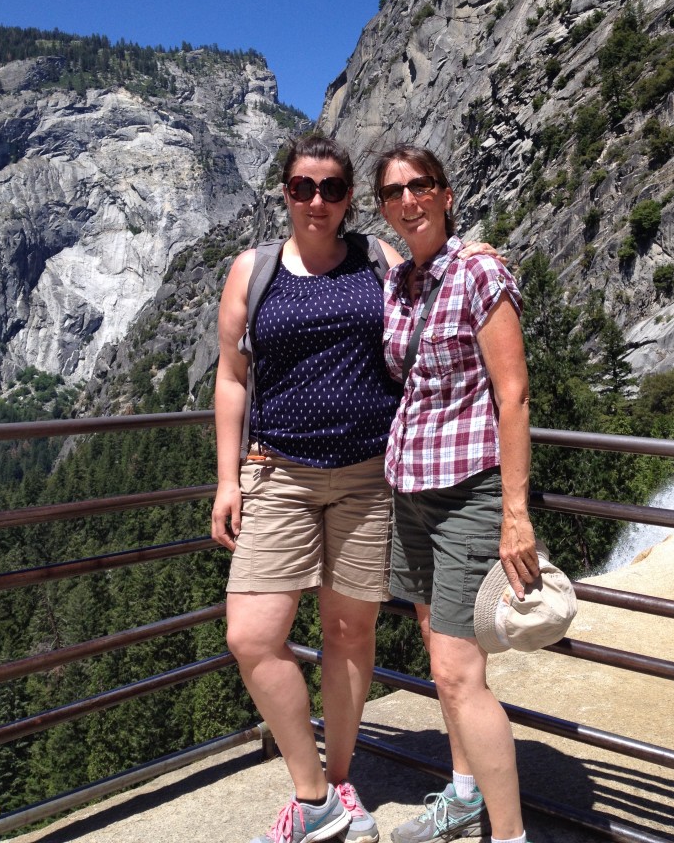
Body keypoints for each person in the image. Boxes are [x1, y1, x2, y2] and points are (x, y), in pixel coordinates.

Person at [211, 134, 405, 843]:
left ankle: (341, 785)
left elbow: (436, 294)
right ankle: (312, 790)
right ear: (284, 192)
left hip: (368, 477)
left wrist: (478, 258)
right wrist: (226, 480)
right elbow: (232, 378)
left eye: (330, 188)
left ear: (349, 197)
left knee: (350, 633)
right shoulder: (253, 270)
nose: (316, 200)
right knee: (252, 636)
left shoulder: (377, 261)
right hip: (278, 474)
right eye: (302, 186)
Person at [372, 144, 540, 843]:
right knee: (438, 656)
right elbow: (364, 248)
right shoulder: (400, 280)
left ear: (445, 193)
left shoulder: (479, 272)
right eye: (392, 191)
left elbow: (514, 395)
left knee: (457, 669)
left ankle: (509, 835)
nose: (408, 199)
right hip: (409, 490)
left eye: (421, 186)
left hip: (468, 493)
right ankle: (465, 793)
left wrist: (515, 512)